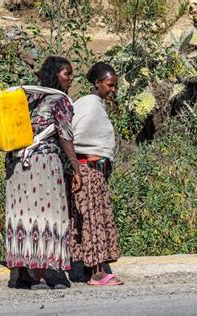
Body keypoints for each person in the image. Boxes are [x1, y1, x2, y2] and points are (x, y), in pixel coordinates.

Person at [5, 56, 81, 290]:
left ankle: (24, 273)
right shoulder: (60, 100)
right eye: (67, 74)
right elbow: (65, 135)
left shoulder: (27, 98)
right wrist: (75, 167)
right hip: (44, 164)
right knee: (47, 215)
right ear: (55, 75)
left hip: (16, 165)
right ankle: (44, 275)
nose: (71, 79)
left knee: (22, 215)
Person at [70, 62, 123, 286]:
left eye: (115, 86)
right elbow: (77, 136)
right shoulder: (91, 106)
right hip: (87, 172)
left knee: (87, 220)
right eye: (110, 85)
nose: (113, 90)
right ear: (97, 83)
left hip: (89, 171)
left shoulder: (91, 104)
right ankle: (98, 274)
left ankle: (84, 270)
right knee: (93, 221)